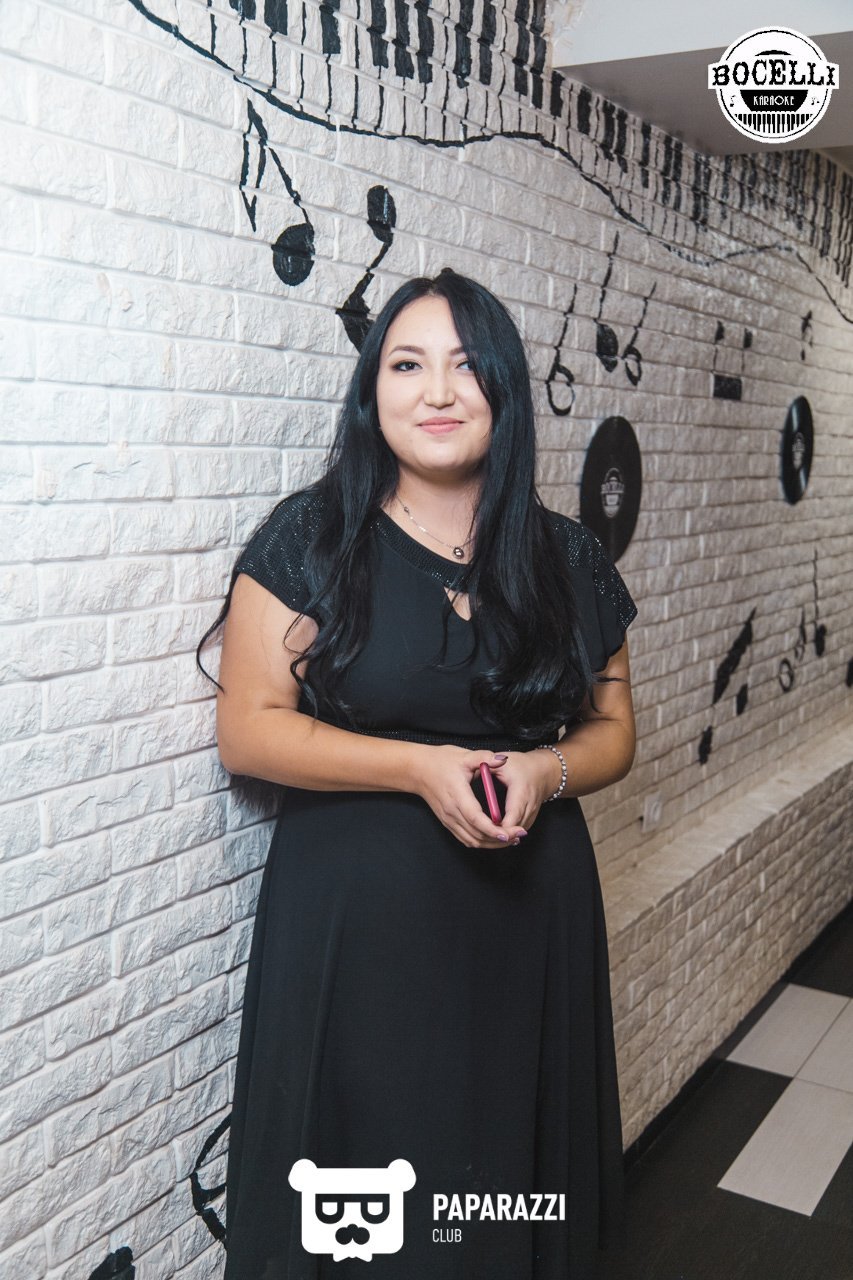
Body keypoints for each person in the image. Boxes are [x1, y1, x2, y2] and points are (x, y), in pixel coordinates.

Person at [197, 268, 638, 1279]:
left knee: (503, 1185)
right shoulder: (312, 538)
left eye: (465, 366)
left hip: (529, 920)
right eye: (406, 365)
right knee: (370, 1199)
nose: (437, 391)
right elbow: (249, 733)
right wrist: (418, 767)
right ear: (372, 390)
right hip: (358, 932)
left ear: (504, 390)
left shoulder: (569, 557)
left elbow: (613, 734)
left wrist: (544, 770)